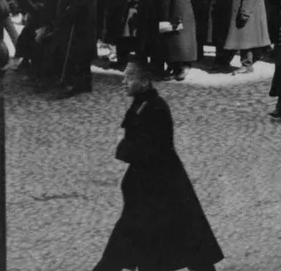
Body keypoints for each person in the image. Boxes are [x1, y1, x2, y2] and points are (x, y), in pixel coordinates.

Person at [92, 60, 224, 271]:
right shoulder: (143, 104)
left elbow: (145, 149)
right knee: (183, 238)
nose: (123, 82)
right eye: (124, 77)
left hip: (158, 187)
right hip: (153, 187)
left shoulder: (154, 108)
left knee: (178, 238)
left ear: (144, 82)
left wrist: (124, 148)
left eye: (129, 77)